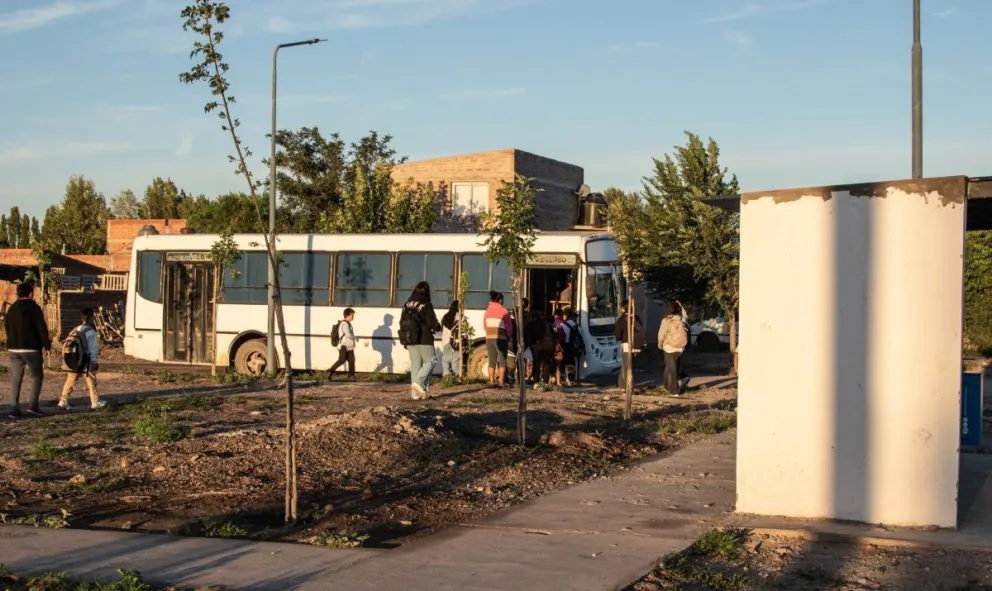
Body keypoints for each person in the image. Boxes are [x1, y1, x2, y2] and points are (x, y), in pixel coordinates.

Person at [5, 282, 51, 418]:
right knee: (37, 376)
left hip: (13, 348)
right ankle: (33, 406)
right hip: (31, 348)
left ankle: (14, 408)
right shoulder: (34, 308)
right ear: (31, 294)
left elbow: (7, 327)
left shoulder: (12, 309)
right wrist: (46, 346)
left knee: (16, 378)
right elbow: (41, 328)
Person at [58, 308, 106, 410]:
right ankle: (95, 401)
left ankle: (63, 400)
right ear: (91, 318)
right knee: (91, 380)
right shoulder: (91, 332)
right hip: (85, 360)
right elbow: (93, 349)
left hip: (74, 360)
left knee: (70, 380)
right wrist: (94, 361)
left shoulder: (75, 329)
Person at [402, 282, 441, 400]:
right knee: (432, 360)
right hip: (424, 338)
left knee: (416, 366)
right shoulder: (425, 303)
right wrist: (437, 326)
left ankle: (415, 395)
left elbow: (401, 321)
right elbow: (431, 322)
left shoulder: (407, 304)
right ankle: (418, 383)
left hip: (409, 338)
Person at [658, 302, 689, 395]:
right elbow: (686, 316)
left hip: (669, 348)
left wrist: (660, 345)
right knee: (671, 368)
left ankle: (674, 391)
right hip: (680, 348)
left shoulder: (666, 321)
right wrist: (681, 307)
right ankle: (666, 386)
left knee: (672, 370)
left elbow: (661, 335)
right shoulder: (682, 320)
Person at [483, 291, 513, 387]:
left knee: (491, 361)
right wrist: (509, 336)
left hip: (489, 338)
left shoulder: (487, 311)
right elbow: (509, 328)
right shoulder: (504, 311)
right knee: (502, 360)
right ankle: (501, 382)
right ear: (500, 300)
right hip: (501, 339)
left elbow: (485, 326)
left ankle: (491, 381)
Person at [614, 300, 643, 390]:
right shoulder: (637, 318)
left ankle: (627, 387)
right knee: (628, 365)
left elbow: (618, 335)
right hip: (636, 346)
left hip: (626, 345)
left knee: (627, 367)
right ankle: (622, 384)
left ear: (623, 308)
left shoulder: (621, 320)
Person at [326, 308, 357, 381]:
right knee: (342, 360)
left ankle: (351, 375)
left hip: (349, 346)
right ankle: (330, 371)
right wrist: (355, 338)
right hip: (344, 346)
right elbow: (348, 334)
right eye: (352, 315)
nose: (353, 316)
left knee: (351, 360)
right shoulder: (344, 324)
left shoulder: (348, 323)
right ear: (347, 315)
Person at [525, 313, 554, 385]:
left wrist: (529, 345)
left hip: (537, 345)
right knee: (546, 363)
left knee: (536, 363)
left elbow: (528, 335)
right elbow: (554, 334)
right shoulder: (547, 324)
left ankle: (536, 381)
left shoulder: (532, 325)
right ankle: (545, 382)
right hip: (549, 345)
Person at [440, 301, 461, 377]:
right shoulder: (460, 316)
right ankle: (457, 376)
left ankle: (446, 376)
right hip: (456, 341)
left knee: (446, 359)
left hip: (446, 340)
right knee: (455, 360)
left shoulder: (445, 316)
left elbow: (441, 328)